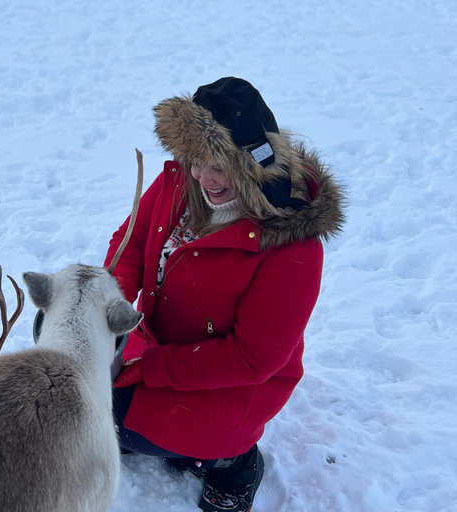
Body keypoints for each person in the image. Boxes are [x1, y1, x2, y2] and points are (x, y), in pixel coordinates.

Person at [105, 77, 345, 512]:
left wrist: (149, 367)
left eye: (217, 165)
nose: (202, 177)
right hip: (161, 349)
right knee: (91, 398)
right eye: (194, 160)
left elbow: (252, 358)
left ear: (253, 161)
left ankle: (231, 462)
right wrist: (108, 306)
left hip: (231, 386)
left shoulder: (290, 245)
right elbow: (133, 242)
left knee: (114, 417)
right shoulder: (185, 182)